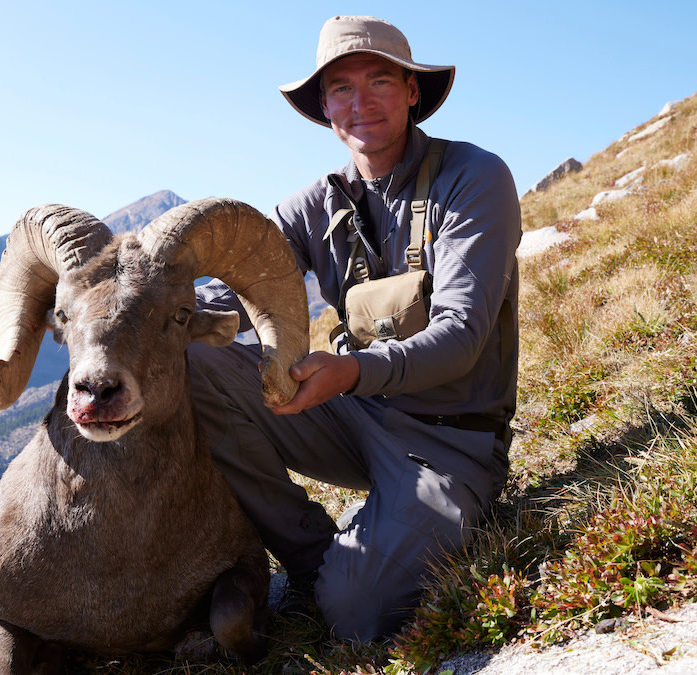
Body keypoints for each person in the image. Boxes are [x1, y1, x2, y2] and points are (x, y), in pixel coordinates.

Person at [188, 15, 522, 642]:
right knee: (191, 364)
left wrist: (350, 372)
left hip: (451, 441)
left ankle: (386, 550)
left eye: (379, 82)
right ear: (324, 105)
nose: (360, 103)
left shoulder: (474, 180)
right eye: (341, 88)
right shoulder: (309, 208)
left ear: (412, 91)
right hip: (355, 415)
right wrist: (133, 298)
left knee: (355, 613)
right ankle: (311, 554)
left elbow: (462, 333)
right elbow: (232, 293)